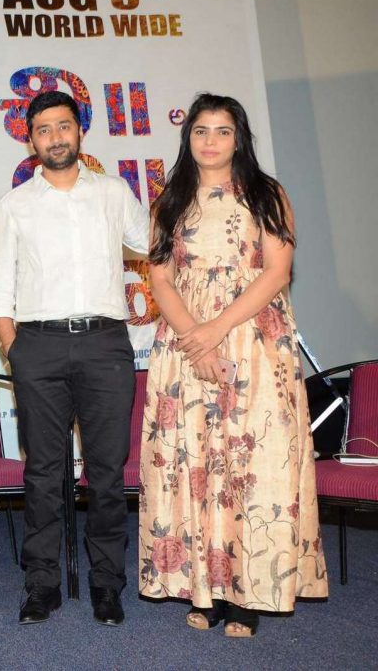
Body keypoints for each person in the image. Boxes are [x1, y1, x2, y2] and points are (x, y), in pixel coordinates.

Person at [138, 93, 328, 637]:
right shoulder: (170, 200)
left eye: (223, 131)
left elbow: (277, 272)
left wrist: (216, 330)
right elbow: (160, 279)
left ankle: (248, 593)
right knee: (197, 461)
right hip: (186, 342)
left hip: (253, 340)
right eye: (201, 130)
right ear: (188, 137)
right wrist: (196, 341)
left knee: (250, 462)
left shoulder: (267, 193)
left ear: (239, 138)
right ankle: (208, 588)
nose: (211, 141)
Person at [0, 90, 149, 627]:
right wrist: (17, 350)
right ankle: (41, 584)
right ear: (30, 141)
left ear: (79, 131)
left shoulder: (113, 192)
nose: (55, 138)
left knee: (106, 473)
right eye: (43, 130)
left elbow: (156, 245)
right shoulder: (14, 205)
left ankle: (107, 584)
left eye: (63, 126)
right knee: (43, 472)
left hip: (105, 344)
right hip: (39, 345)